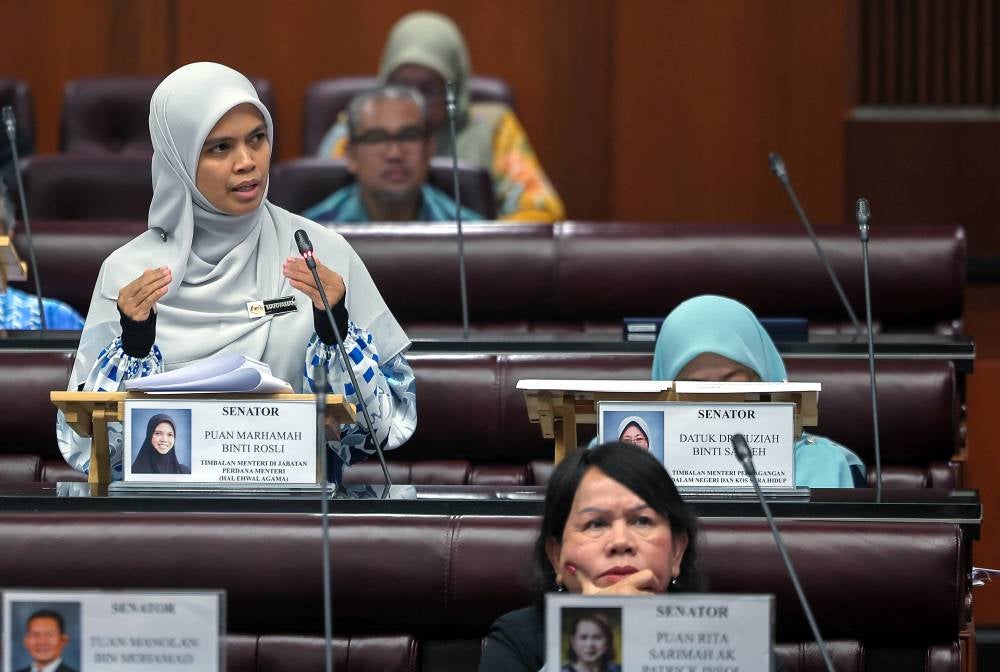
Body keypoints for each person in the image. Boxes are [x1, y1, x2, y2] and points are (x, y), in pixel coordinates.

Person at [56, 62, 416, 482]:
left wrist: (335, 328)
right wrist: (134, 348)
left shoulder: (321, 254)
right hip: (160, 523)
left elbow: (385, 424)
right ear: (179, 161)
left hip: (297, 519)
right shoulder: (130, 272)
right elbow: (82, 444)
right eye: (220, 148)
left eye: (257, 139)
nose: (247, 162)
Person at [315, 11, 565, 222]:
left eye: (431, 88)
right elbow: (323, 201)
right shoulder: (358, 123)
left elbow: (542, 212)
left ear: (455, 88)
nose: (416, 100)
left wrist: (481, 245)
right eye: (403, 86)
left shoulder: (491, 126)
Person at [478, 441, 700, 671]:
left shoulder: (721, 635)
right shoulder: (516, 639)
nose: (621, 541)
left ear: (676, 552)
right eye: (596, 524)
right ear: (556, 556)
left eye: (642, 521)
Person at [653, 295, 865, 488]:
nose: (717, 399)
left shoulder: (819, 462)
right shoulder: (644, 467)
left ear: (763, 378)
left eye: (732, 380)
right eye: (695, 386)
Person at [303, 85, 483, 223]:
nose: (394, 153)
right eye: (377, 138)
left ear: (429, 150)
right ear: (351, 156)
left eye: (409, 136)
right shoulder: (310, 235)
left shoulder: (469, 233)